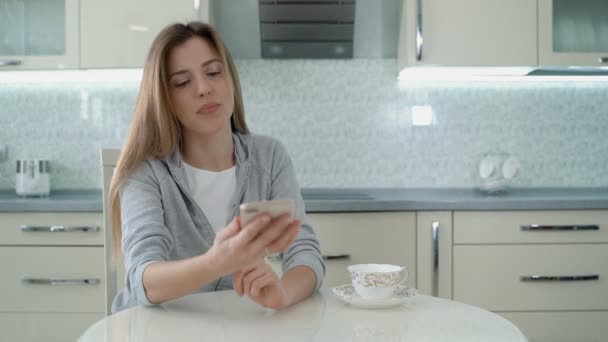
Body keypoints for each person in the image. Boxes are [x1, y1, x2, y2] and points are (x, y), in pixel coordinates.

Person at [108, 21, 325, 313]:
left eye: (213, 72)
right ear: (165, 99)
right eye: (183, 82)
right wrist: (218, 262)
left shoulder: (269, 156)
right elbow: (142, 280)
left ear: (230, 79)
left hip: (235, 327)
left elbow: (305, 253)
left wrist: (282, 294)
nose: (204, 89)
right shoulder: (146, 172)